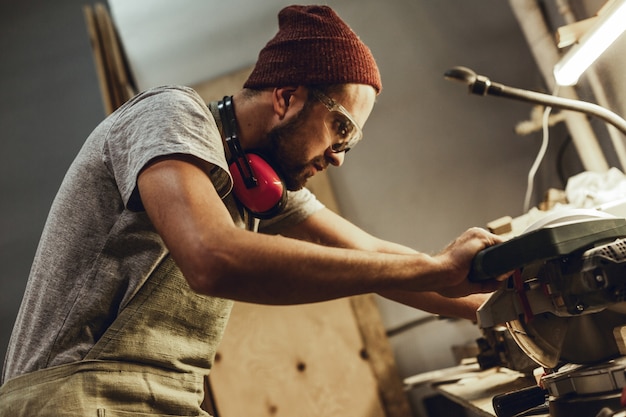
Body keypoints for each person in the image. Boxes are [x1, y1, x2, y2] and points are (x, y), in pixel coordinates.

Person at [0, 4, 505, 416]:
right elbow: (212, 256)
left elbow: (373, 258)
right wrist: (435, 267)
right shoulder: (170, 114)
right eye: (342, 130)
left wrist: (503, 312)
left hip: (161, 401)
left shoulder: (255, 177)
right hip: (72, 397)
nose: (339, 155)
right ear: (286, 97)